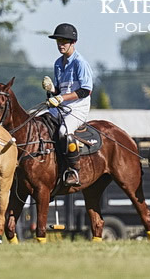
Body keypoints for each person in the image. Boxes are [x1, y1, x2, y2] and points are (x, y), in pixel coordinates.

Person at [44, 23, 93, 187]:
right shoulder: (58, 63)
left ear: (73, 42)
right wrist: (52, 90)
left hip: (78, 108)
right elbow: (60, 90)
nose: (60, 44)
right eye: (58, 41)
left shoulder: (80, 63)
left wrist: (61, 98)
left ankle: (74, 170)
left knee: (64, 132)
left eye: (64, 41)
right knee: (40, 122)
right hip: (61, 106)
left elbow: (86, 90)